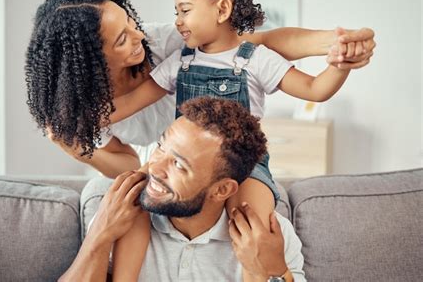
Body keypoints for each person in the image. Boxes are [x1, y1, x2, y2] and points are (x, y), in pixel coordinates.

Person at [108, 0, 364, 281]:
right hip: (186, 159)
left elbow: (315, 89)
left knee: (250, 225)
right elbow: (131, 101)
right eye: (175, 12)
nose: (178, 22)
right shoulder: (180, 62)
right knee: (131, 200)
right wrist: (77, 116)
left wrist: (341, 65)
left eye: (185, 10)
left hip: (246, 166)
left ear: (222, 9)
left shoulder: (256, 60)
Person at [25, 0, 376, 178]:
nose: (138, 36)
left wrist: (336, 42)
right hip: (168, 163)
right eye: (121, 39)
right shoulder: (82, 106)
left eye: (130, 21)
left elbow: (260, 43)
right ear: (88, 63)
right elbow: (128, 164)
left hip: (219, 151)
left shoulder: (165, 43)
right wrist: (78, 150)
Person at [59, 97, 306, 282]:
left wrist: (276, 272)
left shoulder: (270, 238)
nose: (154, 167)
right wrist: (99, 235)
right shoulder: (119, 218)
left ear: (221, 190)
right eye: (160, 147)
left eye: (178, 164)